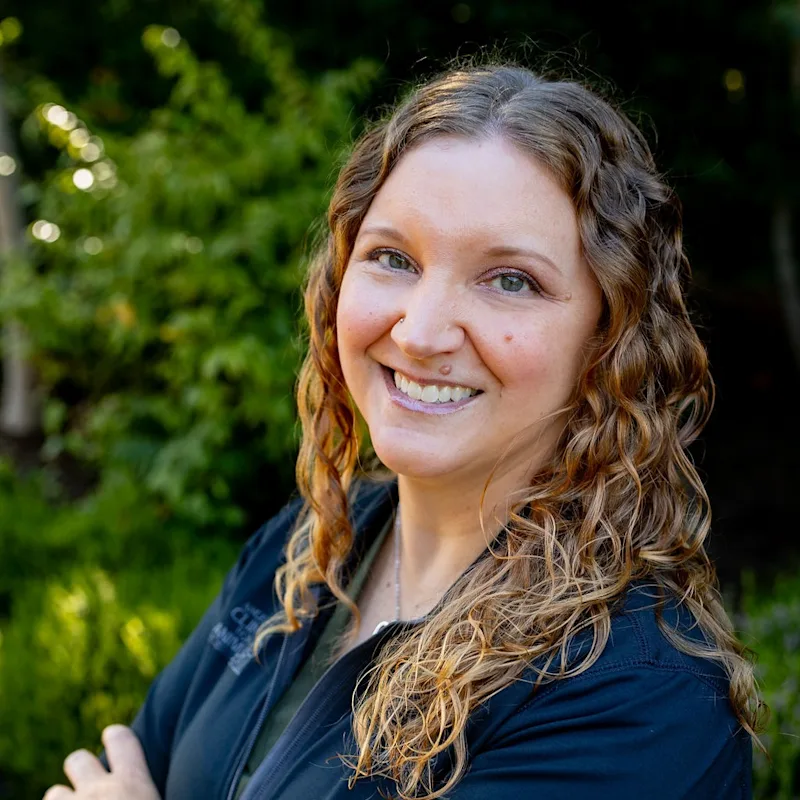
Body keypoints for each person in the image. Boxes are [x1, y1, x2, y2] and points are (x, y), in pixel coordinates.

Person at [44, 62, 765, 800]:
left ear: (610, 338)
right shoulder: (304, 552)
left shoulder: (638, 700)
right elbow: (122, 763)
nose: (419, 332)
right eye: (393, 258)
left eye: (510, 279)